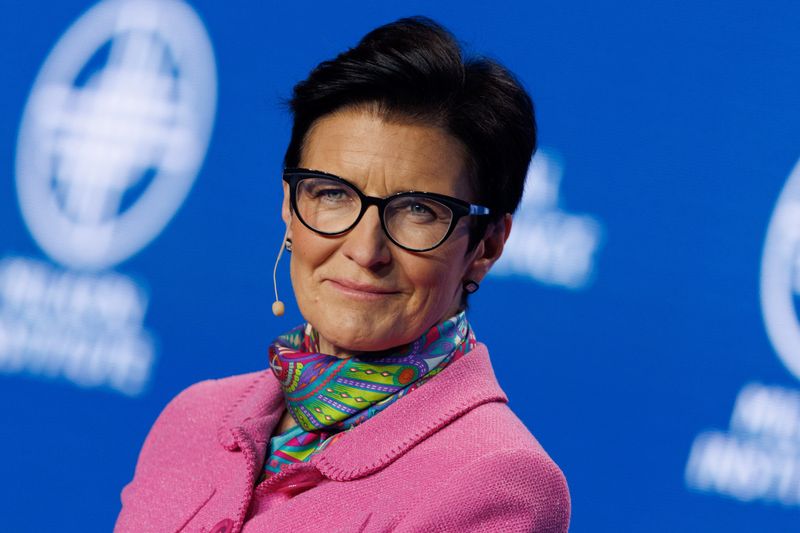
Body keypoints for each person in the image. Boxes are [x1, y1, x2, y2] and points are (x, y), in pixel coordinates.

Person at [116, 16, 570, 533]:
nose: (365, 249)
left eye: (418, 209)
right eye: (332, 195)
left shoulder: (496, 480)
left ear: (487, 244)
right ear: (289, 207)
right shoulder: (194, 419)